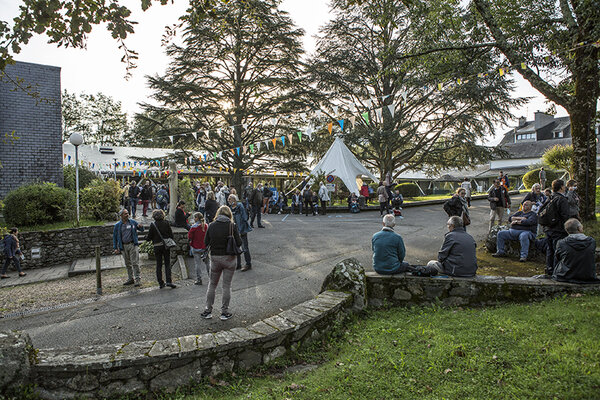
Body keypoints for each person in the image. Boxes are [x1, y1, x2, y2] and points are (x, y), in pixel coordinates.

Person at [201, 205, 242, 321]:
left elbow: (205, 242)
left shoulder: (211, 225)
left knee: (212, 285)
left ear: (218, 214)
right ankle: (224, 312)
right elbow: (239, 243)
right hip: (229, 259)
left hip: (215, 258)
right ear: (229, 215)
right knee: (226, 286)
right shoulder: (232, 226)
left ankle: (208, 310)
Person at [552, 218, 599, 283]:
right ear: (579, 228)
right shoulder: (592, 242)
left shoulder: (561, 243)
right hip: (588, 275)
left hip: (566, 275)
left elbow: (557, 259)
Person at [541, 179, 570, 277]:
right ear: (562, 187)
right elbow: (565, 215)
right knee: (557, 251)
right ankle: (556, 271)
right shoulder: (562, 199)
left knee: (550, 250)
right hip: (559, 229)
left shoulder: (550, 197)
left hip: (549, 228)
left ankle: (549, 269)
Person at [145, 209, 176, 289]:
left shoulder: (153, 225)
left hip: (157, 246)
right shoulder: (166, 223)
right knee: (167, 264)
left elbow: (149, 238)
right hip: (165, 246)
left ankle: (160, 283)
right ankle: (169, 281)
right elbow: (171, 235)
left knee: (158, 265)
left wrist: (147, 237)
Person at [113, 209, 144, 286]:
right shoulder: (117, 225)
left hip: (132, 245)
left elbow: (141, 230)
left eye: (127, 213)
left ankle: (137, 279)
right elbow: (115, 237)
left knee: (135, 263)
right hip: (123, 246)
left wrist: (141, 227)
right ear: (121, 216)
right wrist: (115, 248)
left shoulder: (132, 222)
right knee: (127, 263)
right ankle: (130, 278)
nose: (127, 215)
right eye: (125, 214)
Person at [229, 194, 252, 271]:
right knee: (236, 248)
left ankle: (248, 264)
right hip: (234, 231)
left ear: (234, 200)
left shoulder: (240, 206)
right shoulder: (230, 208)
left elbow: (244, 218)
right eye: (228, 200)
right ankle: (238, 264)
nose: (229, 201)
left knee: (245, 248)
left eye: (230, 199)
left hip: (242, 230)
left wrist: (240, 230)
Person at [188, 212, 209, 285]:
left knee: (197, 264)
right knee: (208, 263)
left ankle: (199, 279)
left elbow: (190, 237)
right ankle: (211, 278)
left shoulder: (193, 227)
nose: (194, 219)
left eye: (194, 217)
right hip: (204, 247)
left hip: (196, 247)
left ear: (197, 218)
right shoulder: (206, 226)